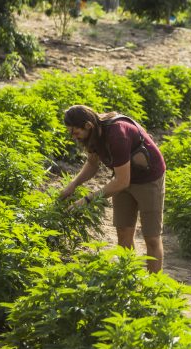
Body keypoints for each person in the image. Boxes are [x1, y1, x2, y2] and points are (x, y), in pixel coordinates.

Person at [59, 104, 166, 272]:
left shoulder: (117, 134)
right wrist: (73, 185)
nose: (73, 137)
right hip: (123, 176)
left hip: (148, 178)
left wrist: (87, 200)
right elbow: (92, 164)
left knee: (151, 238)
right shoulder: (93, 134)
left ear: (88, 125)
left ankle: (153, 287)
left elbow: (122, 182)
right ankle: (127, 277)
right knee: (123, 231)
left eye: (75, 132)